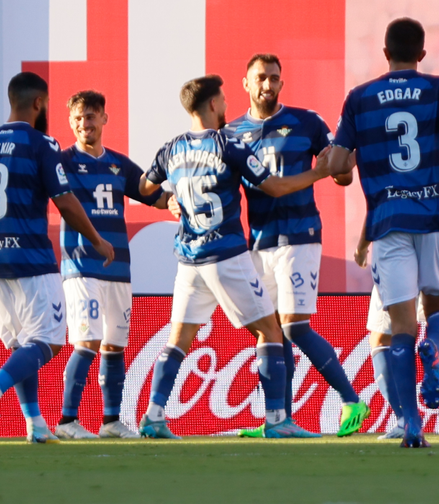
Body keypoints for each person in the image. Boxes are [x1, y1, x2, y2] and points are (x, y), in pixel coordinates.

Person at [135, 75, 334, 439]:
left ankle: (153, 415)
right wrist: (316, 173)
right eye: (223, 100)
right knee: (271, 331)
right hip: (225, 255)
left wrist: (169, 200)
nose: (227, 106)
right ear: (212, 105)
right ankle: (277, 420)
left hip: (188, 259)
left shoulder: (171, 148)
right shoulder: (228, 143)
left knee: (178, 339)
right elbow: (273, 187)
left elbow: (144, 188)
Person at [327, 18, 439, 448]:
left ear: (385, 53)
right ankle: (432, 352)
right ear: (421, 54)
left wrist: (342, 173)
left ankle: (413, 425)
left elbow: (338, 164)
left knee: (400, 327)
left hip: (388, 222)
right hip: (435, 216)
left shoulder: (359, 98)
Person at [0, 72, 115, 444]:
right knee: (48, 342)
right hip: (31, 258)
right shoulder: (41, 143)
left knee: (21, 342)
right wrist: (96, 239)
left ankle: (35, 424)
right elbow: (64, 200)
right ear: (39, 103)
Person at [223, 54, 369, 438]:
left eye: (273, 78)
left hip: (299, 236)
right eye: (260, 78)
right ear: (245, 83)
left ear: (282, 84)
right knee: (270, 331)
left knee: (295, 325)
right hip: (258, 242)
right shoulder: (232, 133)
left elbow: (341, 172)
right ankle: (279, 418)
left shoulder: (306, 122)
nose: (267, 85)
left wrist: (341, 170)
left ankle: (352, 399)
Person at [55, 90, 171, 440]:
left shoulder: (119, 164)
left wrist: (181, 201)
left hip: (118, 269)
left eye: (90, 116)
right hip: (81, 266)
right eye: (77, 118)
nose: (84, 124)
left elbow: (155, 196)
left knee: (114, 345)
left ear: (104, 119)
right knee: (86, 341)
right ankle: (66, 420)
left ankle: (110, 421)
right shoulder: (62, 162)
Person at [359, 139, 439, 439]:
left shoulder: (401, 148)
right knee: (438, 323)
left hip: (399, 243)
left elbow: (380, 201)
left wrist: (362, 244)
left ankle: (406, 418)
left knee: (385, 333)